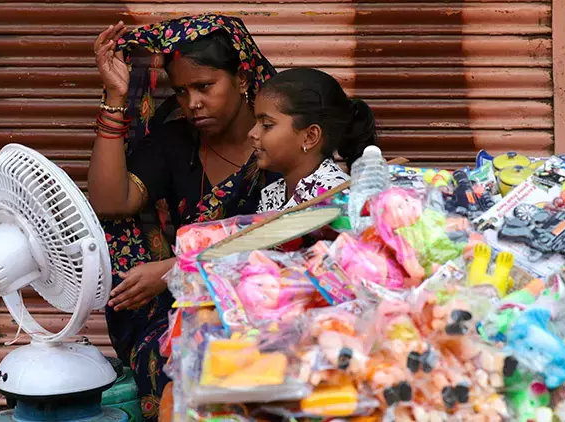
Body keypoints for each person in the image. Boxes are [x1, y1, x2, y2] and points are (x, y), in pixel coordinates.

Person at [88, 15, 277, 420]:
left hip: (268, 302)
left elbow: (288, 239)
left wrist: (176, 269)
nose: (192, 103)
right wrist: (115, 96)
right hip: (186, 309)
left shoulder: (280, 145)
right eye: (182, 91)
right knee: (180, 364)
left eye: (205, 87)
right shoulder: (177, 143)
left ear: (242, 79)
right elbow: (110, 201)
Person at [249, 68, 378, 213]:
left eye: (267, 125)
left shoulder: (334, 197)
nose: (252, 133)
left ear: (310, 137)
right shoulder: (273, 193)